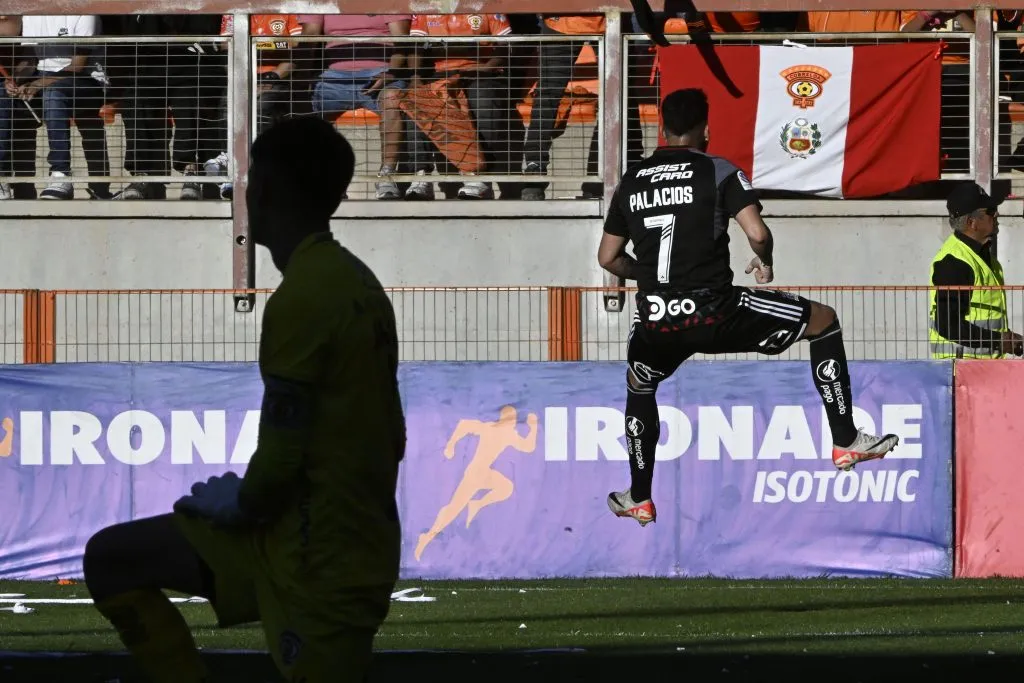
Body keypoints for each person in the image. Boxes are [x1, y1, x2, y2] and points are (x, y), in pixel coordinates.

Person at [83, 116, 406, 683]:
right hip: (309, 530)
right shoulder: (353, 280)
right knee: (113, 558)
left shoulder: (305, 296)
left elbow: (285, 448)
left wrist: (243, 504)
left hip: (319, 548)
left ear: (268, 189)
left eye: (251, 175)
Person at [598, 88, 899, 527]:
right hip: (717, 312)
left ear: (662, 127)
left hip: (659, 321)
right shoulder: (718, 170)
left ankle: (639, 497)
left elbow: (607, 258)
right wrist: (767, 259)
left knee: (640, 386)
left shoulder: (633, 180)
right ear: (705, 128)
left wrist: (649, 278)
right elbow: (756, 233)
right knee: (824, 321)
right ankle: (845, 438)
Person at [17, 14, 111, 200]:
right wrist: (16, 80)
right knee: (7, 97)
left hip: (87, 80)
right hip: (42, 77)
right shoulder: (31, 13)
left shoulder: (85, 13)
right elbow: (29, 58)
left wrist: (38, 84)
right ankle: (18, 186)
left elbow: (77, 65)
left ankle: (61, 175)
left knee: (54, 93)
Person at [930, 182, 1024, 358]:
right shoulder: (954, 263)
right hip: (960, 371)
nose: (996, 214)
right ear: (971, 222)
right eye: (989, 211)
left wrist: (1008, 337)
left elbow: (985, 316)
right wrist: (998, 340)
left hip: (982, 368)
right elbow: (947, 325)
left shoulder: (985, 258)